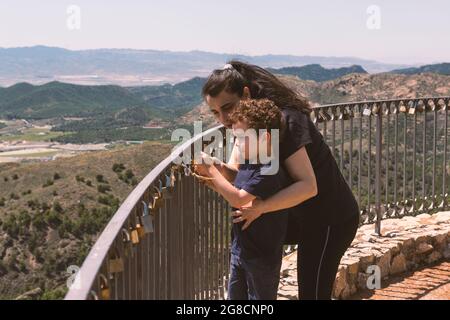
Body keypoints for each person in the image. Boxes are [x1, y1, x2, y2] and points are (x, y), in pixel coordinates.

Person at [198, 61, 360, 300]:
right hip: (302, 219)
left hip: (329, 220)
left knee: (313, 295)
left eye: (228, 107)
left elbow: (308, 186)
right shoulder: (247, 124)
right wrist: (215, 169)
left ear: (246, 94)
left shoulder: (286, 122)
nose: (224, 119)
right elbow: (238, 174)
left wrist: (261, 206)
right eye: (215, 113)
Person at [198, 98, 290, 300]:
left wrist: (211, 169)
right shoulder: (251, 162)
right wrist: (215, 172)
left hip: (262, 257)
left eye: (241, 138)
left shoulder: (268, 169)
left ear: (265, 138)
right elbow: (237, 182)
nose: (236, 143)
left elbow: (238, 198)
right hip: (241, 249)